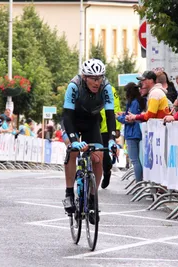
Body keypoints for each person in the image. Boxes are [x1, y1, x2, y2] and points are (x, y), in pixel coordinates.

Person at [61, 58, 117, 224]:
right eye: (93, 78)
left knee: (98, 157)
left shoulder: (105, 88)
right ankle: (69, 193)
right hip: (71, 120)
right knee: (73, 151)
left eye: (99, 78)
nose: (97, 82)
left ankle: (92, 198)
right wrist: (73, 141)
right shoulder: (74, 86)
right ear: (84, 77)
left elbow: (110, 115)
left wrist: (112, 140)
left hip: (91, 122)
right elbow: (67, 116)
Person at [117, 82, 146, 183]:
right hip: (137, 132)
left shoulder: (133, 102)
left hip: (132, 133)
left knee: (135, 160)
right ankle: (139, 180)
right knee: (138, 159)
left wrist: (119, 117)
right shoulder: (139, 101)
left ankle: (138, 182)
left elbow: (129, 118)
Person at [100, 85, 122, 189]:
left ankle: (107, 171)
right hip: (92, 124)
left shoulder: (111, 89)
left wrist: (116, 128)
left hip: (106, 127)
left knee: (104, 154)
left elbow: (116, 108)